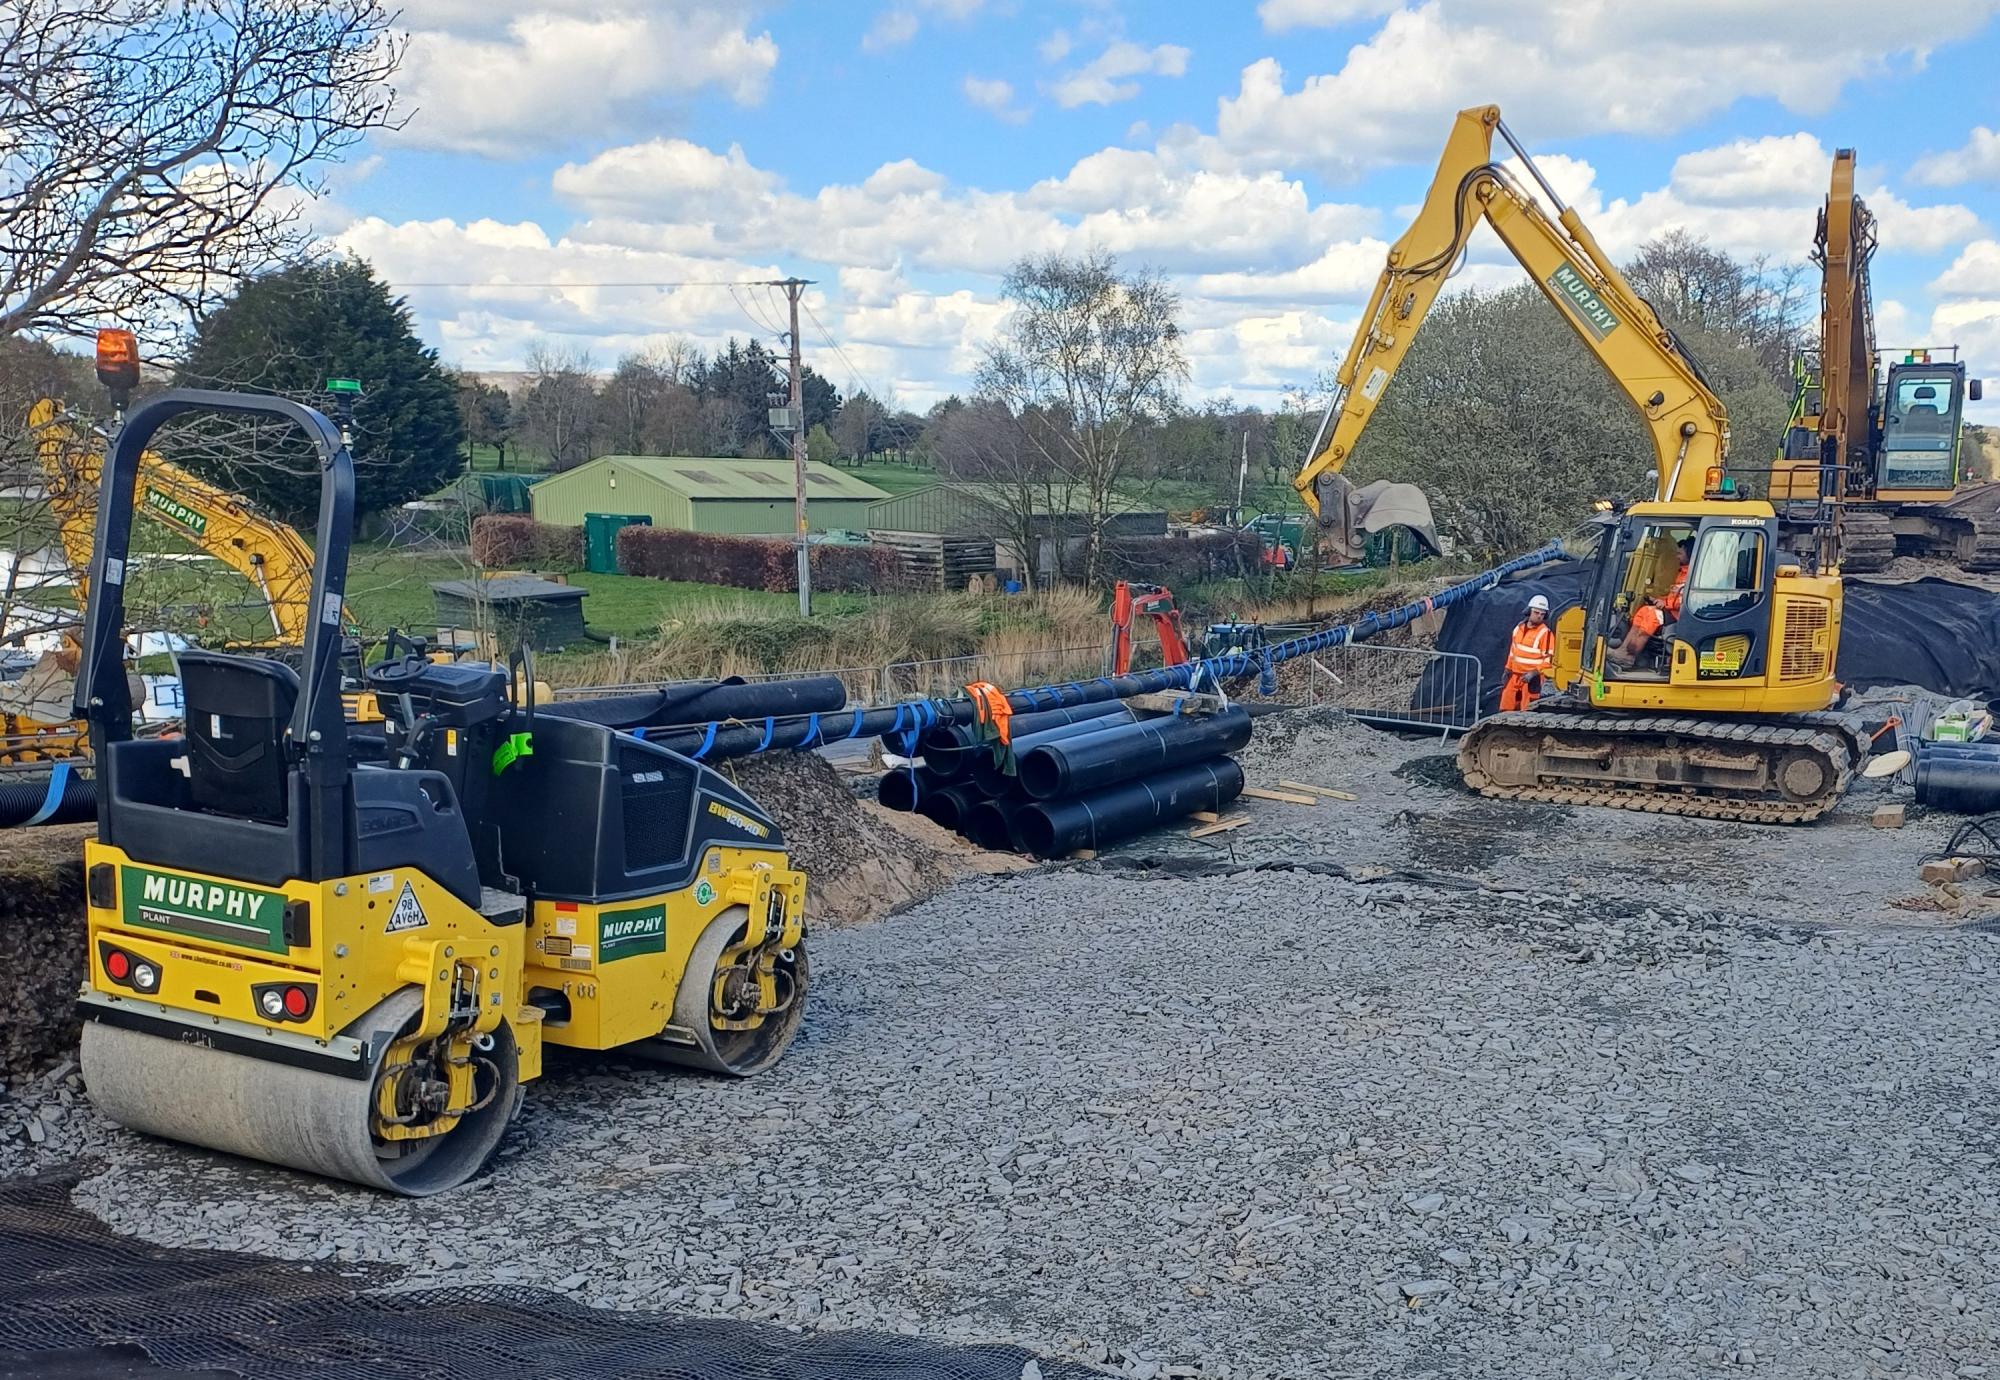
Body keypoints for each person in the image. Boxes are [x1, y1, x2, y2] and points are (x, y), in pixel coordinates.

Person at [1612, 538, 1692, 667]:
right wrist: (1660, 600)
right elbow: (1675, 595)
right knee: (1643, 611)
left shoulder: (1693, 575)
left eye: (1680, 553)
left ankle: (1630, 656)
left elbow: (1688, 599)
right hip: (1673, 611)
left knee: (1651, 616)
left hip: (1682, 614)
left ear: (1690, 553)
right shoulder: (1682, 573)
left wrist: (1665, 604)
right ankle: (1623, 649)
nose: (1677, 557)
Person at [1500, 594, 1555, 711]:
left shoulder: (1546, 633)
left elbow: (1548, 661)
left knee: (1528, 711)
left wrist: (1534, 673)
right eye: (1536, 612)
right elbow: (1513, 652)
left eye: (1542, 614)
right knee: (1506, 707)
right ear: (1529, 611)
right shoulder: (1518, 629)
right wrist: (1507, 669)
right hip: (1515, 676)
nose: (1539, 616)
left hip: (1532, 680)